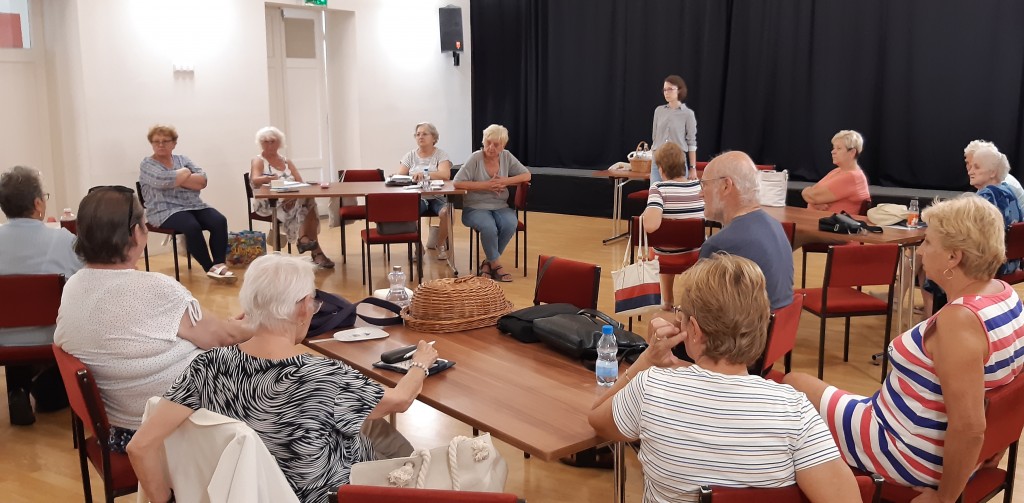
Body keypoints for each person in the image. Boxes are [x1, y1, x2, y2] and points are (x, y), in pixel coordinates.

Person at [128, 254, 438, 503]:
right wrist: (420, 364)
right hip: (334, 492)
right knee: (407, 452)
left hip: (245, 492)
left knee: (373, 429)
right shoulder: (324, 376)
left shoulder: (207, 366)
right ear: (303, 308)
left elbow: (139, 447)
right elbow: (399, 400)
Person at [784, 195, 1024, 502]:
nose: (921, 250)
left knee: (792, 385)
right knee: (802, 390)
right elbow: (1010, 388)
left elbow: (970, 427)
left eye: (929, 242)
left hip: (904, 449)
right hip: (909, 428)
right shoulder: (1005, 295)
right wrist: (997, 445)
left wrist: (943, 498)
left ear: (954, 257)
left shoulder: (960, 321)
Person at [589, 254, 859, 503]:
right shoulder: (795, 411)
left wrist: (647, 359)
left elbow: (598, 419)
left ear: (694, 330)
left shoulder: (651, 388)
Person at [53, 186, 254, 451]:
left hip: (120, 426)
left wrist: (227, 328)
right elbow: (221, 338)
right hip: (173, 428)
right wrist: (258, 323)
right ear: (136, 232)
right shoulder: (154, 288)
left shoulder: (74, 285)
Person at [0, 166, 83, 425]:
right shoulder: (63, 240)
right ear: (37, 203)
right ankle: (45, 387)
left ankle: (18, 389)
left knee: (15, 318)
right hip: (51, 338)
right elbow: (85, 280)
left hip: (3, 340)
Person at [138, 124, 235, 282]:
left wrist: (176, 179)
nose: (160, 145)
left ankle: (219, 263)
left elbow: (202, 181)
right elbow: (162, 181)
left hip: (193, 205)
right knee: (191, 226)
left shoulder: (182, 159)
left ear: (174, 143)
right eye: (156, 141)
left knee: (219, 220)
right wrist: (185, 173)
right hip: (163, 210)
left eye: (165, 141)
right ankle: (209, 267)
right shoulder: (147, 164)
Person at [699, 151, 794, 311]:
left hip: (746, 327)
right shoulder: (776, 226)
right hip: (776, 324)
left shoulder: (720, 245)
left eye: (704, 185)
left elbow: (699, 313)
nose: (700, 193)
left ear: (726, 186)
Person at [453, 124, 531, 282]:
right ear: (483, 141)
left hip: (500, 206)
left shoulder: (506, 156)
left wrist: (504, 181)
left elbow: (526, 175)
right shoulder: (475, 158)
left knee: (510, 223)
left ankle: (488, 263)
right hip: (475, 207)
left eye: (496, 144)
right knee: (489, 227)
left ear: (503, 146)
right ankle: (496, 264)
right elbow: (457, 182)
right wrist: (486, 185)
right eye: (488, 142)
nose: (491, 147)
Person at [249, 126, 335, 268]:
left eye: (273, 141)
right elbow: (255, 180)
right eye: (265, 142)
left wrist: (293, 194)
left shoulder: (286, 161)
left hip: (291, 199)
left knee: (308, 200)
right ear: (260, 143)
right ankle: (310, 246)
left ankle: (306, 240)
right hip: (269, 202)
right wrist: (268, 178)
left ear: (279, 143)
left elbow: (299, 181)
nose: (269, 145)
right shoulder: (259, 160)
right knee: (307, 204)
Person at [640, 142, 703, 309]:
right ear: (683, 165)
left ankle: (667, 300)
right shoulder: (699, 186)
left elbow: (650, 226)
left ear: (661, 169)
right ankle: (691, 300)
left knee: (661, 247)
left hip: (664, 257)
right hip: (695, 256)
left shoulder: (658, 189)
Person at [397, 122, 453, 260]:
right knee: (408, 211)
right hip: (417, 197)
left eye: (424, 134)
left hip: (437, 197)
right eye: (418, 134)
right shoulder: (410, 156)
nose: (420, 137)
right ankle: (418, 246)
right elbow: (400, 176)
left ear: (434, 137)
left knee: (447, 212)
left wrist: (425, 174)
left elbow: (445, 175)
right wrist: (413, 177)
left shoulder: (441, 154)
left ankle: (440, 244)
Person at [800, 130, 871, 215]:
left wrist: (810, 196)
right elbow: (812, 194)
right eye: (833, 148)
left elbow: (812, 196)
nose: (833, 151)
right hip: (817, 219)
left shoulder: (852, 177)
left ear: (852, 152)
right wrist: (813, 200)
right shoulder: (837, 171)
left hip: (827, 222)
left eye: (839, 148)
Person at [650, 75, 697, 184]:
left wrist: (693, 168)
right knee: (655, 191)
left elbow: (691, 143)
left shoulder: (688, 114)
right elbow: (655, 137)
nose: (666, 93)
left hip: (678, 161)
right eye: (664, 90)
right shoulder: (658, 111)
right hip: (658, 161)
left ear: (679, 90)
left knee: (678, 192)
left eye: (670, 89)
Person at [965, 140, 1024, 211]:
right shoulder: (990, 184)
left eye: (976, 166)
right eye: (967, 163)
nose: (969, 170)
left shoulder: (998, 191)